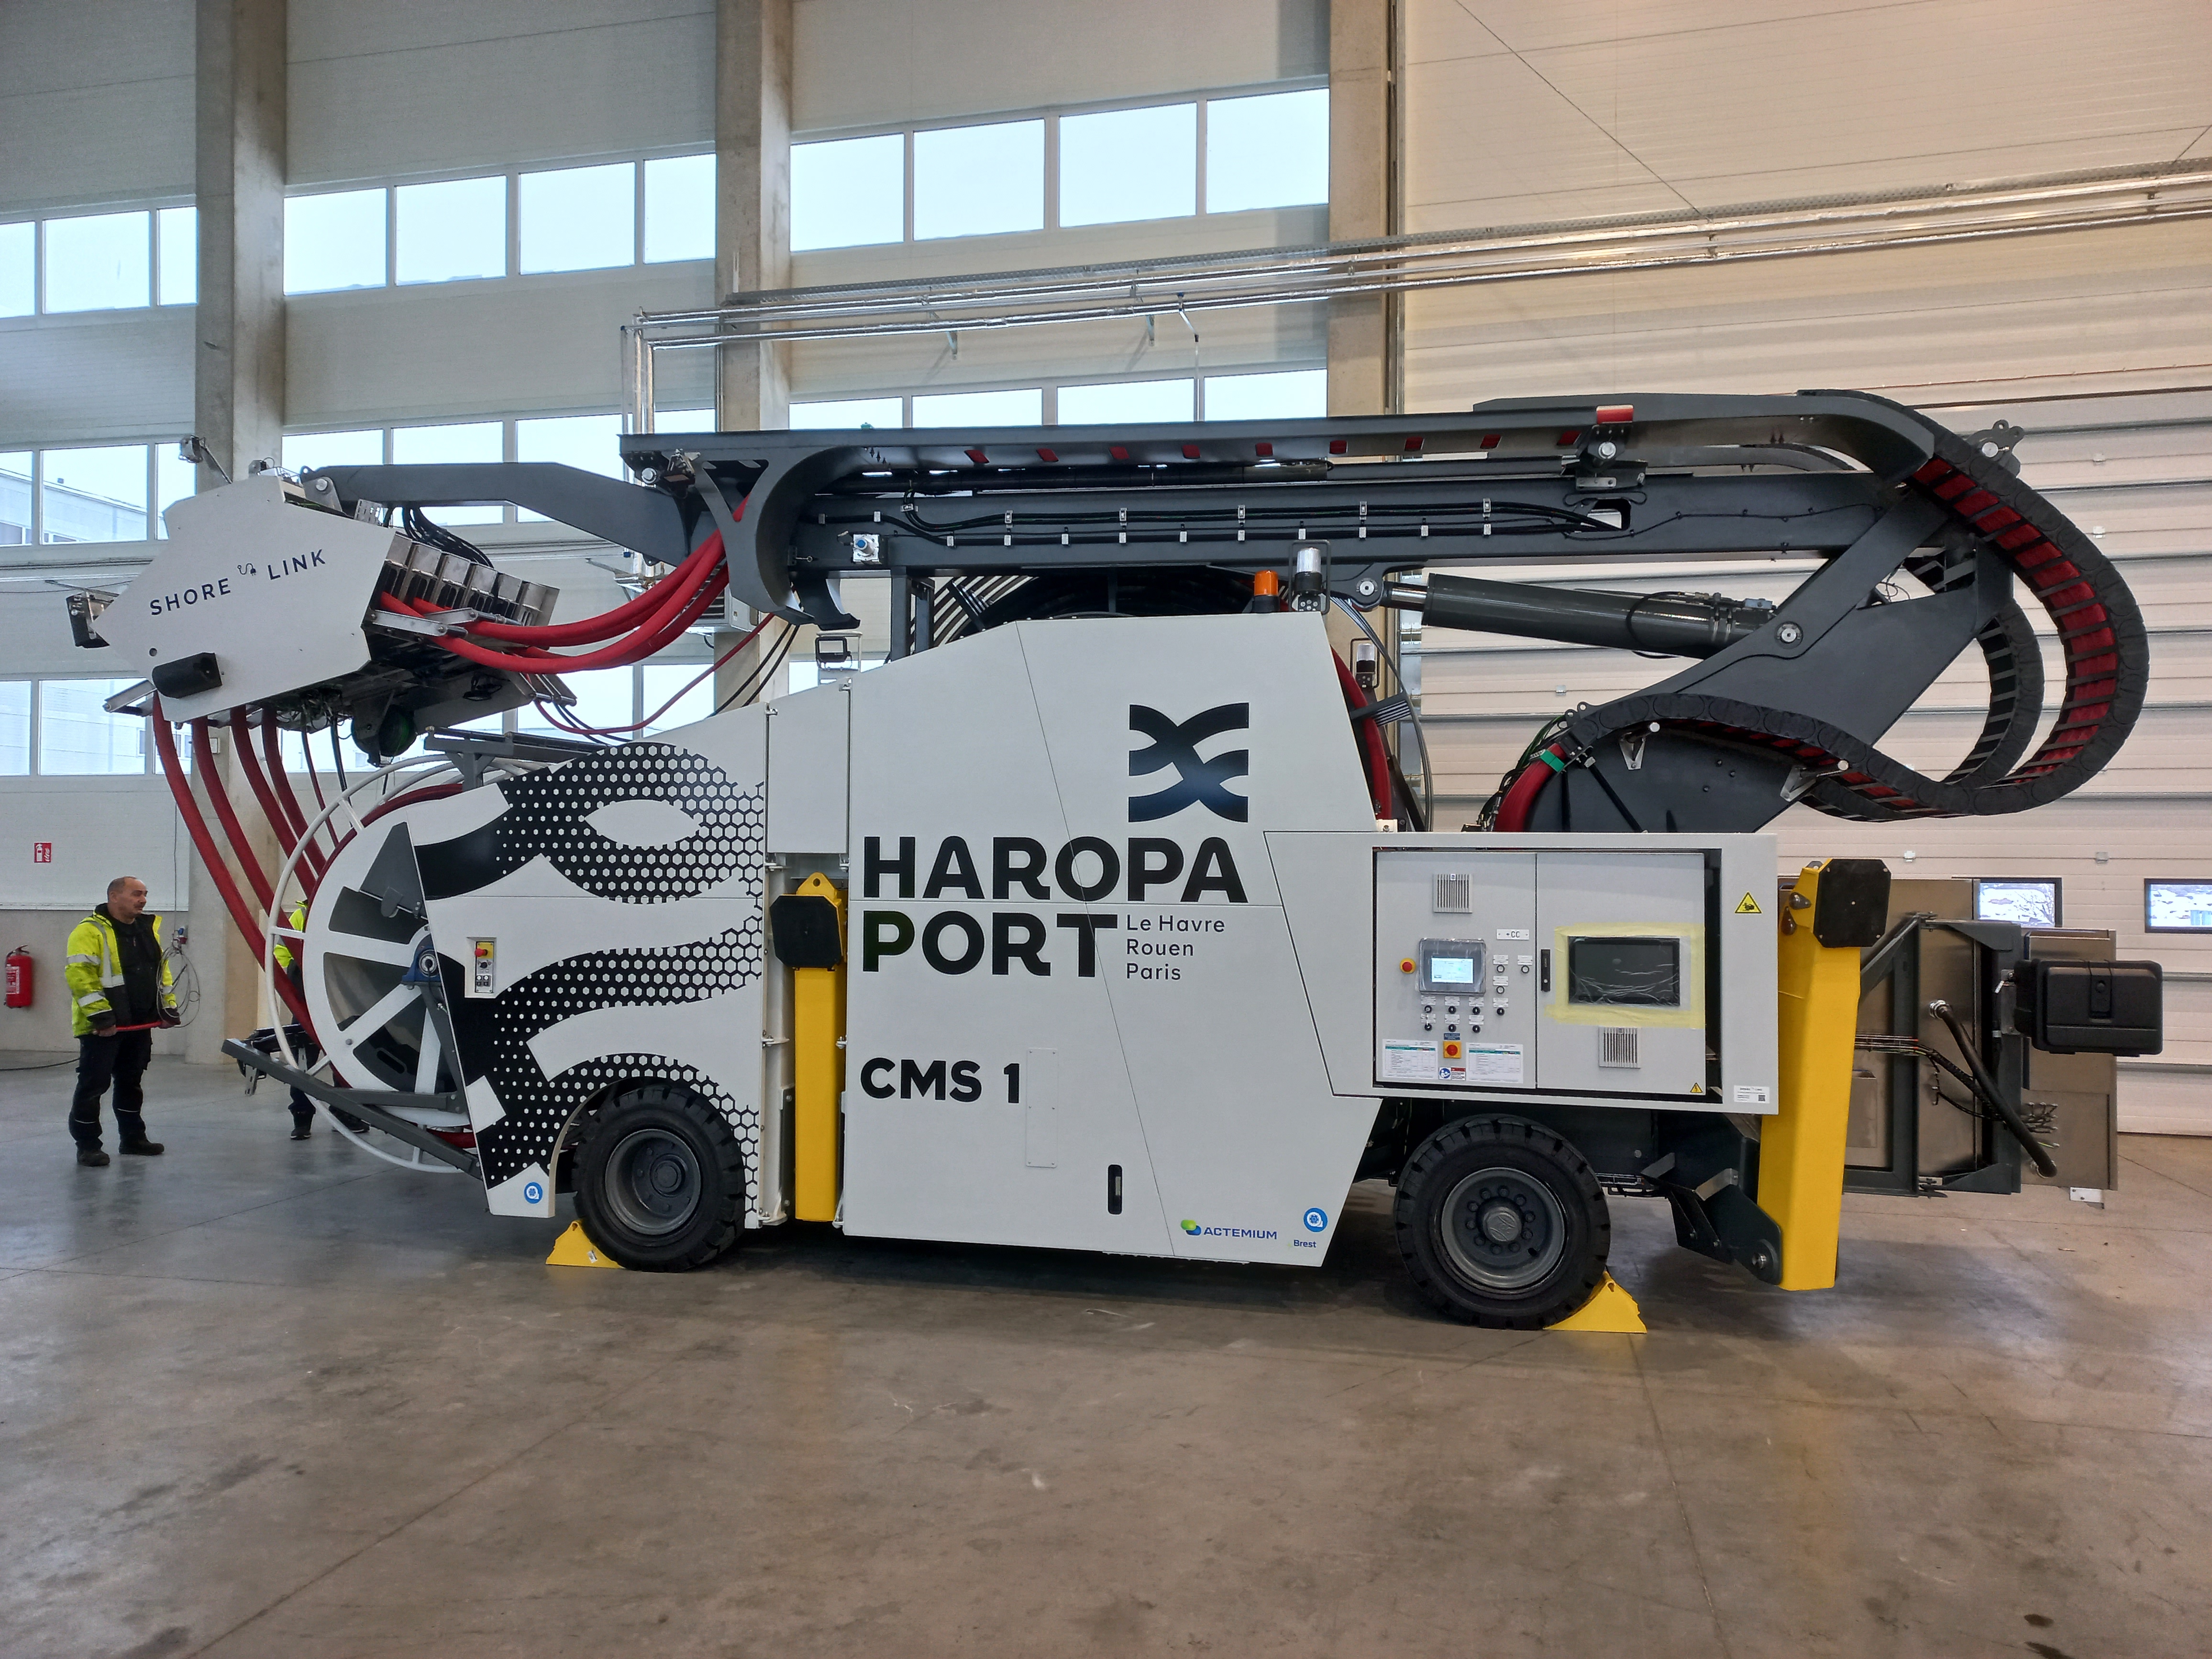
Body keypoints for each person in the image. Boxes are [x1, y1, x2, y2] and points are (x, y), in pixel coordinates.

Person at [65, 875, 177, 1166]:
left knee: (131, 1082)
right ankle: (88, 1146)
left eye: (145, 894)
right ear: (114, 897)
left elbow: (161, 972)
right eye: (136, 894)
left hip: (138, 1024)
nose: (143, 900)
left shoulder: (146, 930)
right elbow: (80, 977)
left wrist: (167, 1008)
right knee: (93, 1086)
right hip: (102, 1028)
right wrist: (101, 1018)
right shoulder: (89, 932)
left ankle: (133, 1139)